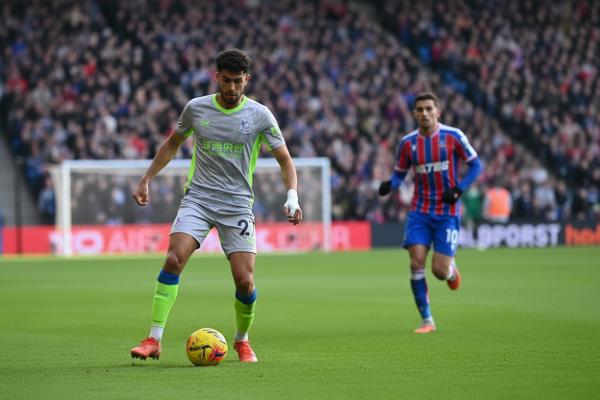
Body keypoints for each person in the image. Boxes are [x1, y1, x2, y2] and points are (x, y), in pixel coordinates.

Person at [130, 49, 302, 362]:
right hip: (198, 199)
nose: (232, 87)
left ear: (247, 79)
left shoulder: (260, 115)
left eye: (238, 81)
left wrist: (292, 196)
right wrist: (146, 179)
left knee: (245, 281)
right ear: (216, 77)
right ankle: (153, 339)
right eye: (226, 80)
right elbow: (172, 144)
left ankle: (241, 340)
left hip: (237, 205)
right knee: (173, 259)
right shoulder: (196, 108)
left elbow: (285, 160)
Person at [378, 92, 483, 333]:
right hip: (420, 211)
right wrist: (390, 184)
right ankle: (427, 320)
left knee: (439, 271)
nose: (424, 113)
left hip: (447, 212)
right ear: (414, 114)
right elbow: (400, 173)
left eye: (428, 109)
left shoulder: (453, 136)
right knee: (416, 262)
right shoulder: (408, 143)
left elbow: (476, 165)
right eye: (420, 110)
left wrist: (459, 189)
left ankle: (450, 271)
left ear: (438, 112)